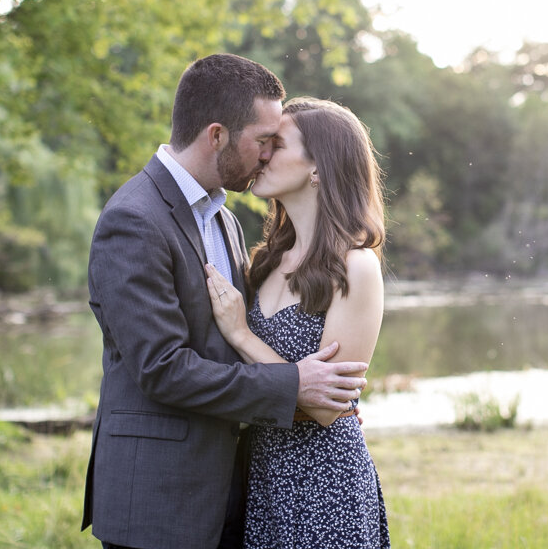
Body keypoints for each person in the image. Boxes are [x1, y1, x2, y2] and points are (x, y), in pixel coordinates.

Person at [81, 55, 369, 549]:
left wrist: (295, 392)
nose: (265, 155)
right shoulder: (135, 219)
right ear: (217, 135)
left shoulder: (225, 221)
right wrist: (293, 384)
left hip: (237, 494)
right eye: (263, 141)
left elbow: (245, 348)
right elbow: (161, 367)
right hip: (159, 499)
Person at [205, 96, 390, 549]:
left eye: (277, 144)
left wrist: (242, 334)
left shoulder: (356, 266)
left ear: (319, 168)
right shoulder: (264, 262)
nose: (262, 154)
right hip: (263, 478)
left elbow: (328, 408)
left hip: (324, 483)